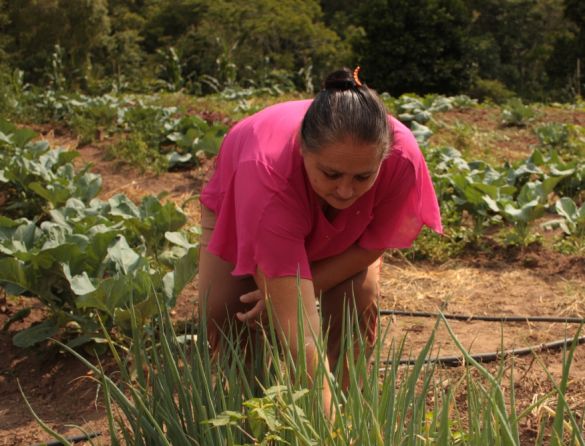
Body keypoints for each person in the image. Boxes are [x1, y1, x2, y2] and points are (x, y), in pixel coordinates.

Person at [198, 67, 442, 412]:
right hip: (252, 196)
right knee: (226, 307)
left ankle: (345, 406)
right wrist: (281, 295)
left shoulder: (401, 159)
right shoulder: (266, 171)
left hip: (347, 229)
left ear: (383, 159)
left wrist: (288, 294)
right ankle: (251, 406)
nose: (345, 189)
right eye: (331, 174)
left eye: (362, 176)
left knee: (358, 298)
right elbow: (304, 337)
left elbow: (373, 244)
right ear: (302, 150)